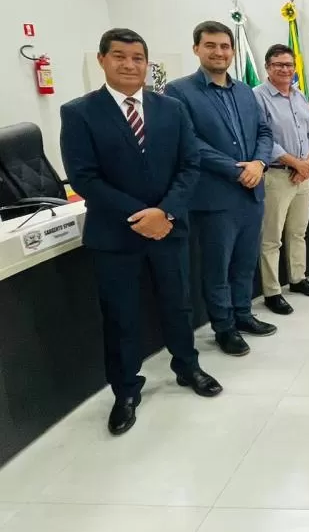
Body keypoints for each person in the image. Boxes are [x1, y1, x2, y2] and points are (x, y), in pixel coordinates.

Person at [60, 28, 222, 435]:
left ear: (147, 63)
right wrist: (141, 215)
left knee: (177, 305)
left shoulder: (171, 108)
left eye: (137, 58)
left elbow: (190, 165)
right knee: (121, 316)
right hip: (115, 236)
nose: (130, 65)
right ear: (102, 60)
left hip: (169, 229)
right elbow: (84, 177)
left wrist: (165, 213)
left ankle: (188, 367)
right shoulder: (79, 112)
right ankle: (126, 390)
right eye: (119, 57)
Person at [166, 21, 276, 357]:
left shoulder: (245, 91)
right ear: (196, 48)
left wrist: (258, 164)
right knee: (217, 268)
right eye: (211, 45)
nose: (219, 52)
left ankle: (243, 315)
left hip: (251, 193)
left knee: (244, 264)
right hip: (214, 198)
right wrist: (234, 169)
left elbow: (264, 132)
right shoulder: (179, 91)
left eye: (225, 46)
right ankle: (224, 327)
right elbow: (190, 143)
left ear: (232, 50)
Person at [253, 44, 309, 316]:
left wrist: (307, 163)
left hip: (303, 175)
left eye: (289, 64)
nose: (285, 69)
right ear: (268, 67)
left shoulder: (299, 95)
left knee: (298, 232)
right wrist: (295, 162)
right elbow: (262, 137)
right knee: (271, 238)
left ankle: (298, 278)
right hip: (276, 175)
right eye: (278, 65)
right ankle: (272, 291)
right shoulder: (257, 97)